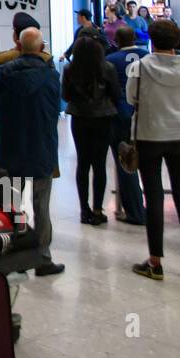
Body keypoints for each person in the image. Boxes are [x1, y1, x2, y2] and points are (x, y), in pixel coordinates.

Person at [127, 19, 180, 281]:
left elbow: (131, 98)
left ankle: (155, 261)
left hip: (151, 135)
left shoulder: (140, 67)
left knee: (154, 196)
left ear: (151, 39)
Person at [0, 27, 65, 277]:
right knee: (41, 206)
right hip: (42, 146)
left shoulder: (4, 72)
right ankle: (43, 258)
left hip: (12, 147)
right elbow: (56, 107)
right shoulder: (51, 75)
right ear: (41, 48)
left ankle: (16, 256)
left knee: (13, 205)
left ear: (19, 46)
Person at [61, 34, 120, 225]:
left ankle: (83, 209)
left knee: (83, 163)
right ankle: (97, 209)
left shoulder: (70, 69)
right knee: (100, 164)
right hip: (103, 118)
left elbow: (66, 95)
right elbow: (116, 94)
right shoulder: (107, 68)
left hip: (80, 118)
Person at [105, 26, 148, 225]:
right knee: (149, 163)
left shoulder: (111, 60)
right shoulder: (146, 56)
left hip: (120, 114)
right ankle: (151, 207)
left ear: (116, 41)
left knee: (126, 162)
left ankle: (134, 211)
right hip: (146, 114)